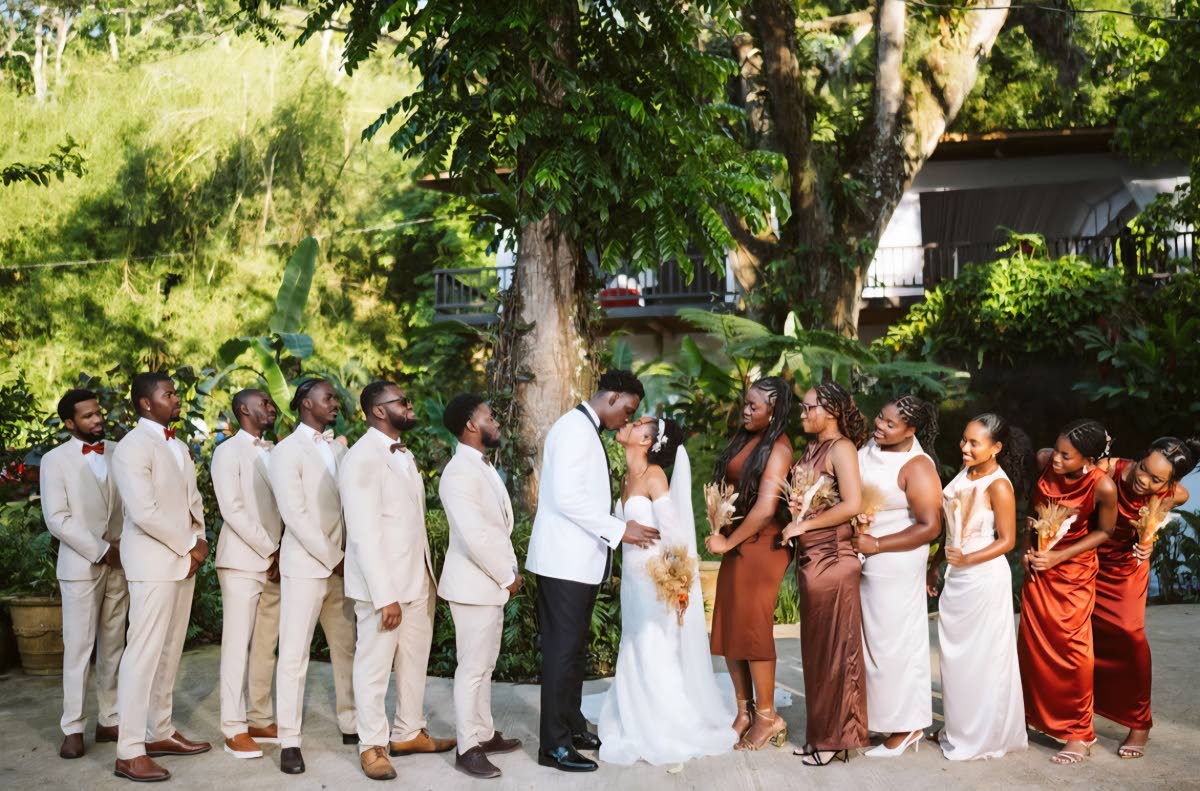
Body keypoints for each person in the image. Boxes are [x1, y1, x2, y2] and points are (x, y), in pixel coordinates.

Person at [525, 370, 659, 773]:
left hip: (578, 564)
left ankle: (573, 724)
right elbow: (566, 497)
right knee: (561, 655)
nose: (627, 418)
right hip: (562, 563)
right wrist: (620, 529)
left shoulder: (587, 429)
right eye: (629, 410)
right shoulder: (572, 429)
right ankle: (554, 746)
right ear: (613, 396)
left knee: (574, 653)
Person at [594, 416, 737, 765]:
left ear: (647, 441)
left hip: (654, 578)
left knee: (652, 644)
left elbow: (674, 534)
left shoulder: (655, 476)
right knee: (635, 642)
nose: (632, 422)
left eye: (641, 422)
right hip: (632, 578)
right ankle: (633, 709)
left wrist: (676, 583)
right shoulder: (627, 476)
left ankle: (663, 722)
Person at [340, 381, 455, 780]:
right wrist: (383, 596)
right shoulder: (360, 458)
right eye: (401, 402)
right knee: (373, 667)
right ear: (377, 411)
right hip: (383, 587)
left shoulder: (401, 454)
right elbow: (364, 533)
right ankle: (371, 744)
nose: (409, 405)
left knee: (413, 662)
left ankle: (408, 731)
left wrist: (425, 577)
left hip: (416, 578)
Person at [109, 372, 212, 782]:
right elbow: (144, 511)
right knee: (143, 654)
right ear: (145, 403)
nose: (177, 399)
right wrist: (189, 544)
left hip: (184, 560)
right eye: (168, 394)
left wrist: (200, 540)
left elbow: (193, 500)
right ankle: (129, 750)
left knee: (170, 650)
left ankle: (160, 730)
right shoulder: (132, 447)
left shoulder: (179, 445)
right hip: (153, 561)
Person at [928, 413, 1030, 761]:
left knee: (983, 659)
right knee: (956, 660)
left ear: (996, 448)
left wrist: (967, 560)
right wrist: (937, 564)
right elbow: (952, 528)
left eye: (974, 443)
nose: (965, 447)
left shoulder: (999, 486)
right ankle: (958, 728)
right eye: (964, 440)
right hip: (956, 576)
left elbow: (1008, 540)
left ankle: (983, 735)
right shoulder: (966, 473)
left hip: (983, 577)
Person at [269, 378, 357, 775]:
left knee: (347, 647)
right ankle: (289, 739)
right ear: (307, 404)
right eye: (329, 398)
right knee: (294, 654)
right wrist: (333, 557)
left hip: (342, 568)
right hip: (306, 565)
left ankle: (351, 721)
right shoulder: (286, 451)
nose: (335, 403)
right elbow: (296, 516)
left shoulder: (341, 449)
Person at [1017, 419, 1118, 765]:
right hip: (1039, 569)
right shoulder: (1045, 461)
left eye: (1066, 455)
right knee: (1033, 647)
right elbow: (1034, 512)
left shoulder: (1102, 486)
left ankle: (1079, 732)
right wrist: (1027, 550)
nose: (1056, 459)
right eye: (1056, 451)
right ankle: (1036, 717)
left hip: (1072, 572)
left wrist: (1059, 555)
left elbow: (1105, 530)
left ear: (1088, 460)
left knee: (1073, 650)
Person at [780, 381, 869, 766]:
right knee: (816, 652)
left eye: (808, 407)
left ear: (830, 411)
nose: (803, 414)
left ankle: (838, 738)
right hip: (811, 559)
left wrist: (803, 526)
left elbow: (852, 503)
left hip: (833, 557)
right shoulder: (813, 448)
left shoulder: (842, 449)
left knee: (837, 651)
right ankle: (820, 734)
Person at [704, 377, 794, 753]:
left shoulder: (779, 448)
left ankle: (768, 716)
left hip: (763, 544)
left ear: (773, 411)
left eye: (754, 406)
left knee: (753, 630)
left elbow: (765, 509)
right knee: (729, 626)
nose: (746, 410)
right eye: (746, 403)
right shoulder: (746, 439)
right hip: (741, 541)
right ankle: (744, 711)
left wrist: (728, 541)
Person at [1093, 436, 1196, 759]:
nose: (1144, 480)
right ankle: (1075, 714)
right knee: (1077, 635)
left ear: (1170, 482)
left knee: (1129, 634)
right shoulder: (1108, 469)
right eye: (1143, 469)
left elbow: (1154, 517)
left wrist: (1148, 537)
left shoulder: (1176, 493)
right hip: (1088, 556)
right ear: (1137, 458)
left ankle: (1140, 723)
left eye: (1156, 479)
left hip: (1126, 567)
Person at [438, 393, 523, 779]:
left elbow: (496, 527)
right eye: (490, 416)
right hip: (474, 586)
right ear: (472, 425)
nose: (497, 421)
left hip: (489, 586)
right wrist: (507, 576)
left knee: (485, 666)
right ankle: (467, 746)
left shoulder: (482, 466)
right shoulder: (458, 473)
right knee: (471, 668)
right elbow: (476, 536)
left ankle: (485, 733)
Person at [851, 396, 941, 758]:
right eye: (880, 418)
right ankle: (881, 719)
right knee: (872, 646)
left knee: (895, 645)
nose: (880, 426)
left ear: (911, 430)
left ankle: (908, 726)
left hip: (896, 560)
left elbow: (930, 526)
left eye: (890, 424)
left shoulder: (917, 465)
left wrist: (876, 543)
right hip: (868, 556)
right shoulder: (871, 447)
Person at [40, 388, 127, 760]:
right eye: (88, 416)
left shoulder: (120, 452)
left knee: (114, 646)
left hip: (122, 564)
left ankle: (110, 719)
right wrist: (102, 550)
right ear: (69, 423)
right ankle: (73, 726)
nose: (98, 420)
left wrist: (124, 549)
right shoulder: (54, 460)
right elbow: (57, 518)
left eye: (98, 413)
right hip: (82, 566)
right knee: (78, 649)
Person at [210, 389, 284, 759]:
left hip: (276, 563)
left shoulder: (274, 451)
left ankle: (258, 716)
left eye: (271, 403)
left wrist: (283, 550)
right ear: (244, 410)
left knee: (266, 645)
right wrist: (271, 548)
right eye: (264, 404)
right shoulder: (227, 451)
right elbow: (233, 510)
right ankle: (234, 728)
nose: (271, 408)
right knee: (237, 646)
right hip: (242, 560)